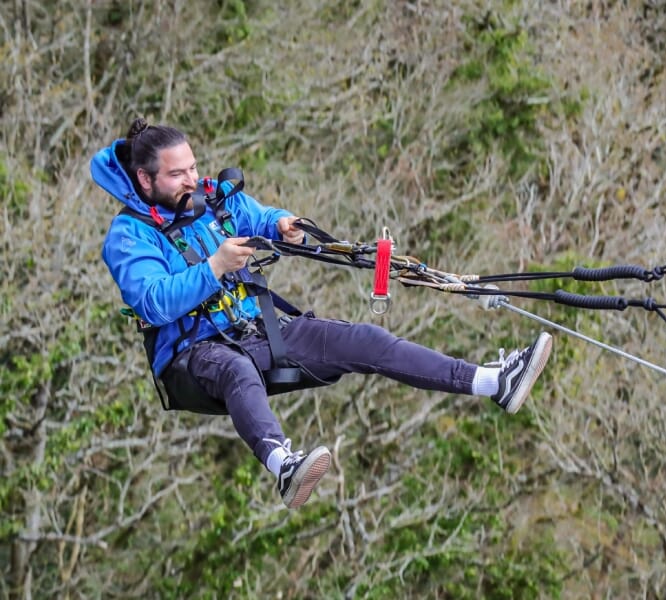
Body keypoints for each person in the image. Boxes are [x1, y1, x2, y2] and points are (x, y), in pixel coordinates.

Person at [92, 118, 553, 509]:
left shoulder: (212, 201)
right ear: (145, 179)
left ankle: (495, 382)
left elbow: (256, 216)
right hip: (192, 357)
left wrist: (281, 224)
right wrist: (215, 267)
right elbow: (152, 300)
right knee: (235, 371)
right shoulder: (128, 236)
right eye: (177, 175)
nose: (191, 180)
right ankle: (284, 466)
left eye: (193, 167)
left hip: (255, 331)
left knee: (365, 340)